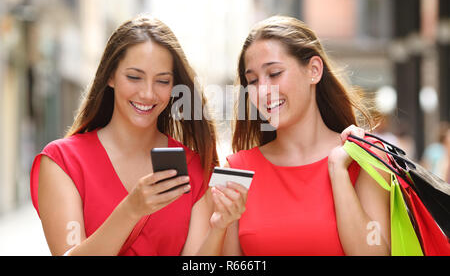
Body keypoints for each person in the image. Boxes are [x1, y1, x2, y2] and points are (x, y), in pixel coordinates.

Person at [30, 16, 247, 256]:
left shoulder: (194, 168)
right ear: (110, 76)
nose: (147, 93)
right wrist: (131, 210)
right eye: (134, 77)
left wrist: (218, 229)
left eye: (162, 81)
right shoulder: (63, 162)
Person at [222, 16, 391, 256]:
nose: (262, 90)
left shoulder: (365, 157)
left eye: (275, 73)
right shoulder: (236, 170)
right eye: (252, 81)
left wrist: (338, 171)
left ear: (314, 70)